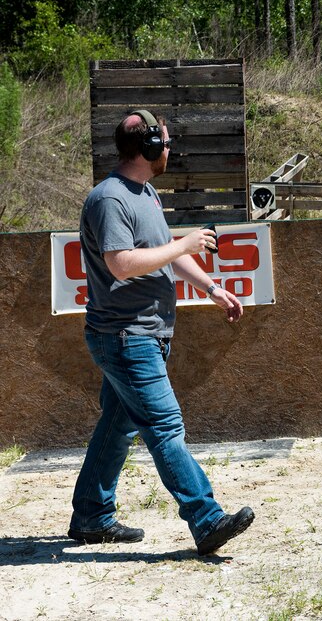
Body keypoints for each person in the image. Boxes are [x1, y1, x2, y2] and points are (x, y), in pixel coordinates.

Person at [68, 109, 254, 556]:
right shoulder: (110, 199)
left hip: (140, 333)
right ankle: (206, 518)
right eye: (166, 142)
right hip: (126, 336)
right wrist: (184, 244)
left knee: (117, 427)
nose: (170, 149)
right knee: (165, 426)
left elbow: (164, 253)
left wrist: (211, 288)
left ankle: (92, 515)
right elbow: (121, 262)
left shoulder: (144, 192)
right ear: (149, 146)